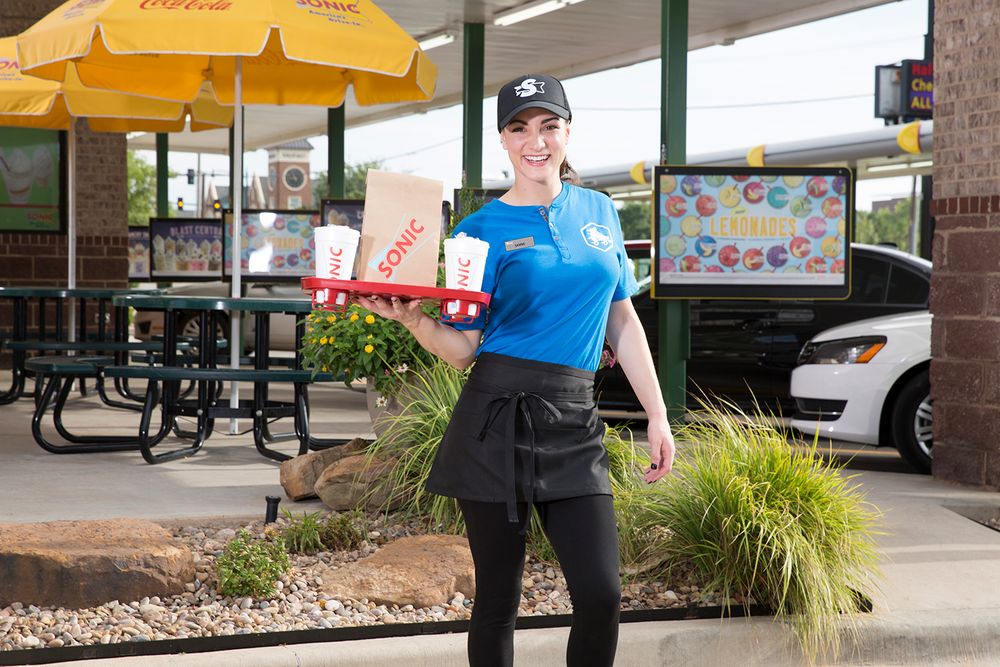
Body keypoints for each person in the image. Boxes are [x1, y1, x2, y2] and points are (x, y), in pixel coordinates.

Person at [358, 73, 675, 667]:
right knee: (498, 599)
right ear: (502, 140)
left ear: (568, 132)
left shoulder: (602, 212)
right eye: (519, 127)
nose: (536, 140)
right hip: (494, 419)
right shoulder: (476, 231)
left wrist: (657, 416)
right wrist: (414, 322)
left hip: (574, 419)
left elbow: (624, 323)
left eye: (548, 126)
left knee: (603, 594)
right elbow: (464, 348)